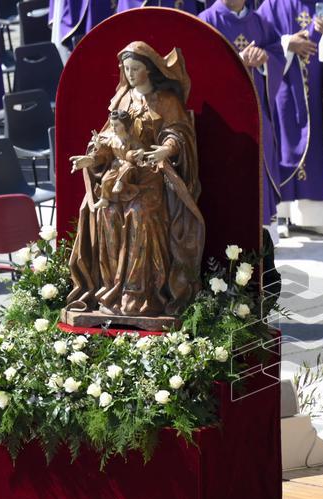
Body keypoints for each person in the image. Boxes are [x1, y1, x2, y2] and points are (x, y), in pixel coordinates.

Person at [67, 42, 205, 320]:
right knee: (104, 211)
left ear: (149, 70)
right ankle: (111, 289)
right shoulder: (122, 99)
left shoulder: (166, 100)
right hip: (121, 175)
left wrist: (166, 149)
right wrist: (91, 160)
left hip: (153, 177)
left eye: (135, 69)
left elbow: (179, 133)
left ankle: (141, 294)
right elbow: (109, 139)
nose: (129, 74)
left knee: (140, 214)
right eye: (126, 69)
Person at [200, 0, 285, 242]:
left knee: (258, 167)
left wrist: (265, 59)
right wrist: (238, 58)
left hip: (257, 114)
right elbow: (201, 66)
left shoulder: (261, 22)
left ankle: (263, 236)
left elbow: (278, 54)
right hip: (222, 120)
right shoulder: (207, 20)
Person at [257, 0, 323, 235]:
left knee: (319, 145)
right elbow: (260, 41)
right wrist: (287, 44)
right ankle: (283, 216)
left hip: (322, 91)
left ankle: (319, 217)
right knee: (284, 143)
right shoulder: (273, 5)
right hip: (286, 90)